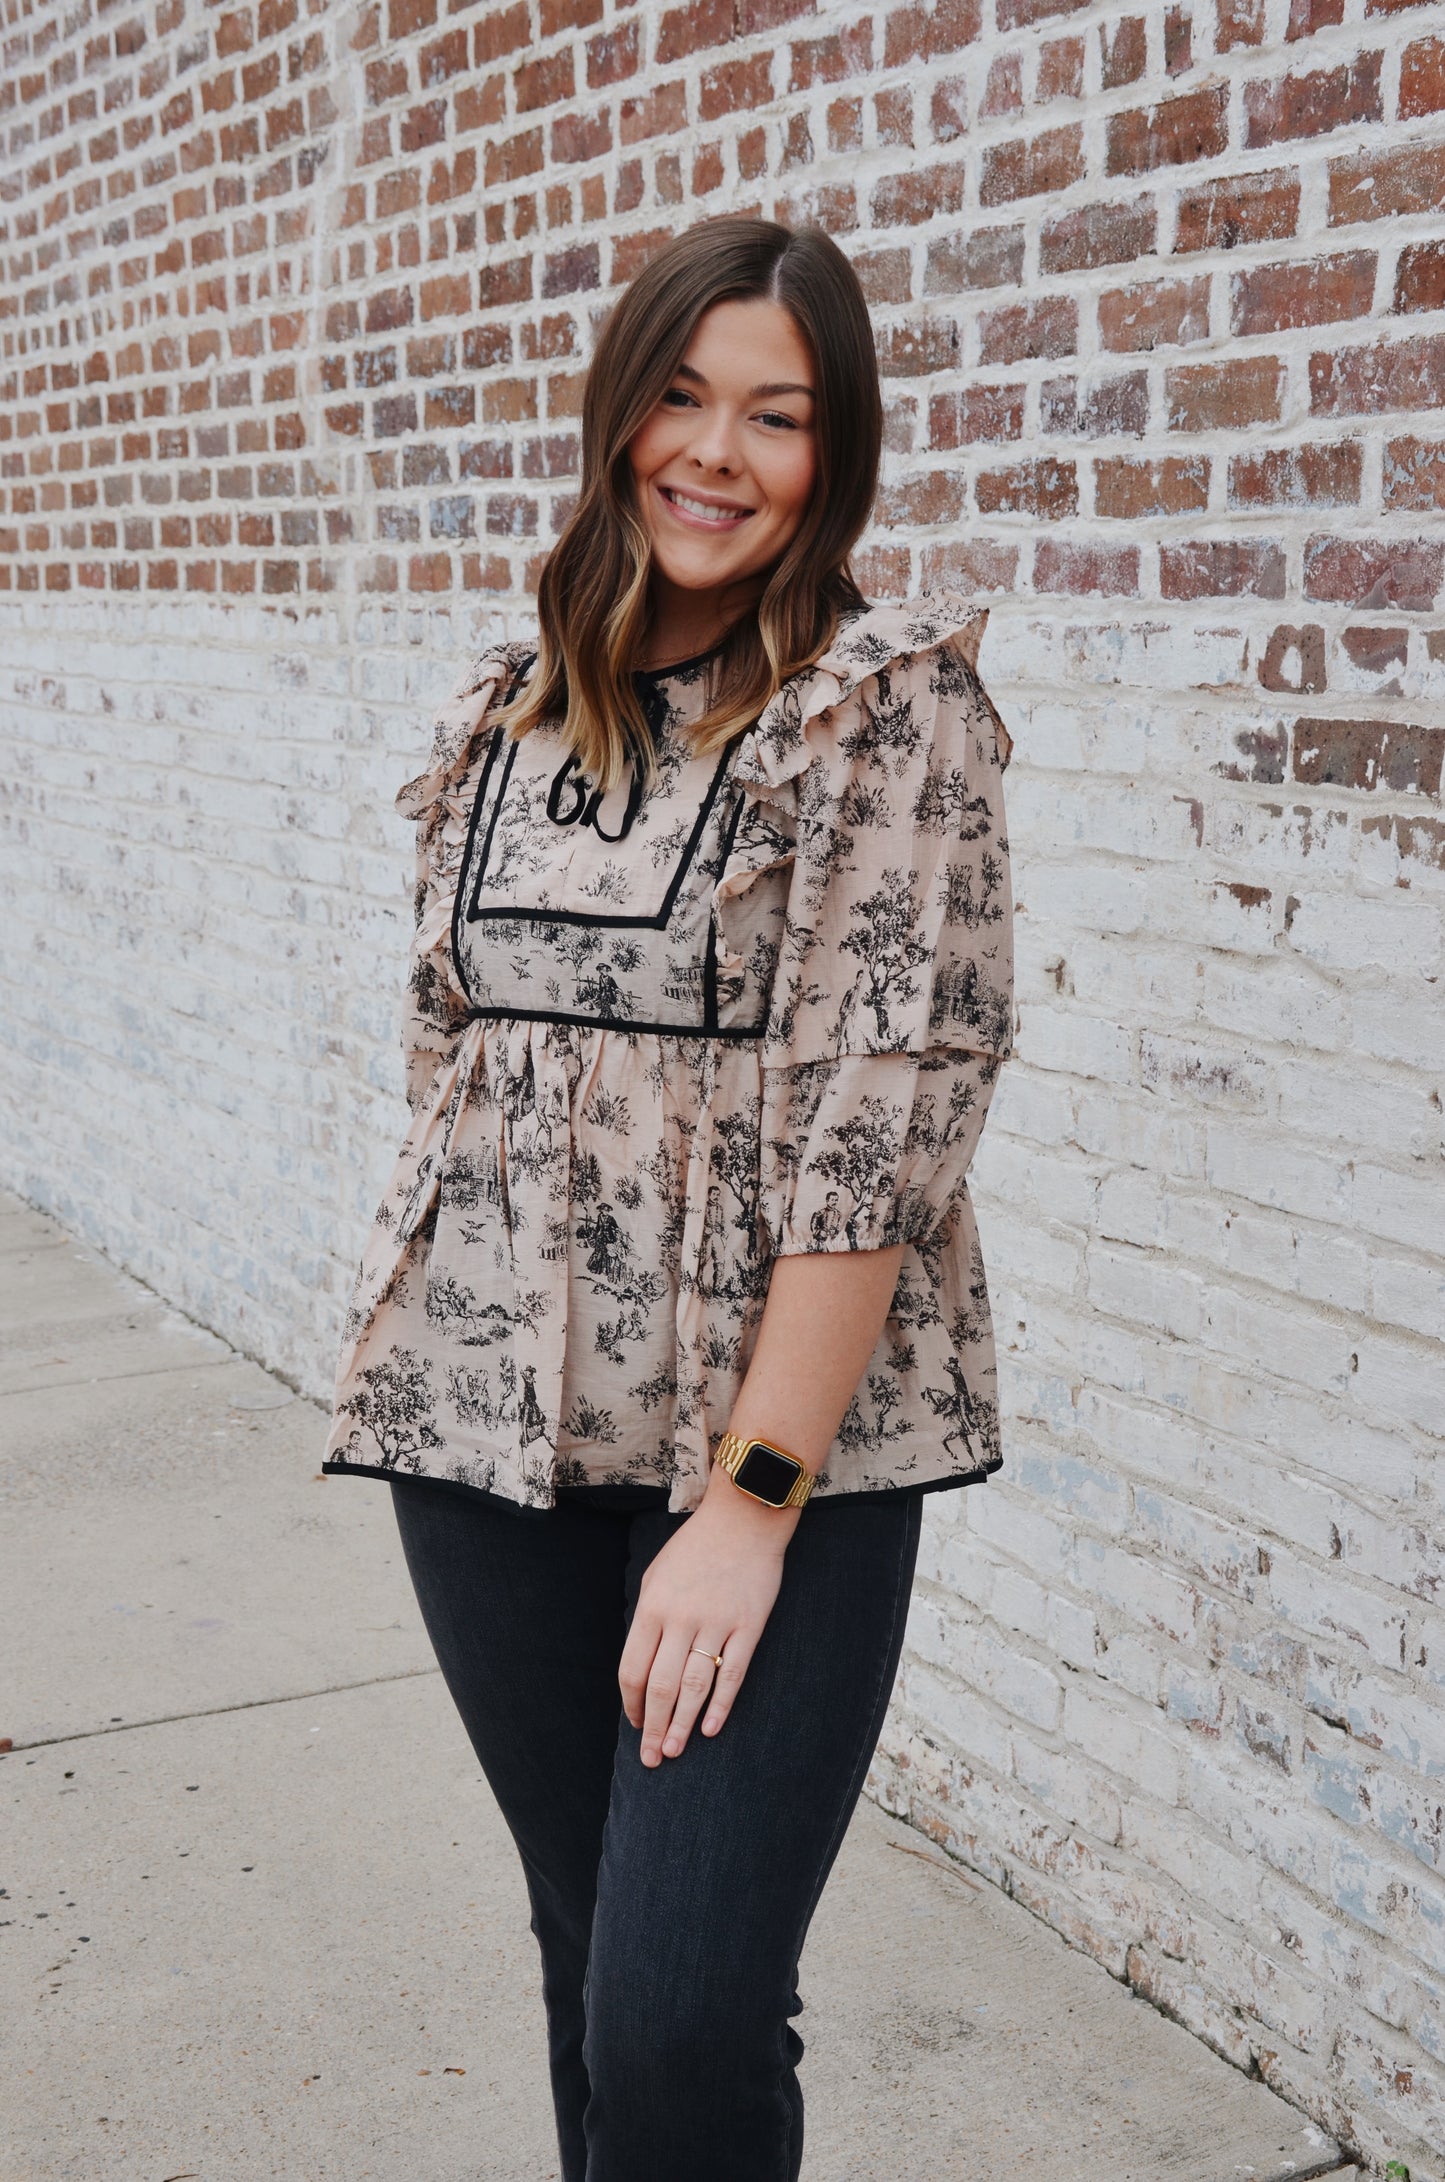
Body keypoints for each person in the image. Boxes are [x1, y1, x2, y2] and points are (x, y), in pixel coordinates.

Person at [323, 213, 1014, 2182]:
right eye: (683, 397)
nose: (716, 453)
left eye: (777, 415)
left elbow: (875, 1130)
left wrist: (751, 1505)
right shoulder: (511, 708)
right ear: (622, 414)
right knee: (589, 1947)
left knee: (687, 2008)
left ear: (836, 450)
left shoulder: (888, 714)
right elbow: (450, 1042)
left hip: (779, 1462)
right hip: (484, 1443)